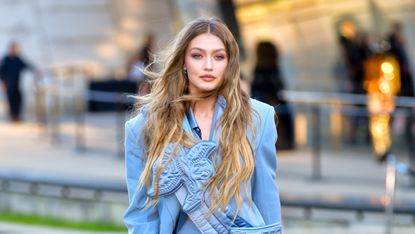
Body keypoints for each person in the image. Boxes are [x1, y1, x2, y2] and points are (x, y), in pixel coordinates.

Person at [123, 17, 282, 233]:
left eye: (218, 56)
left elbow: (267, 204)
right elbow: (141, 215)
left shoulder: (259, 118)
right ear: (183, 61)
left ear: (229, 63)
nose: (208, 66)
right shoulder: (143, 126)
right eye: (197, 55)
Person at [251, 41, 294, 150]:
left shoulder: (263, 69)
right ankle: (284, 143)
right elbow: (278, 86)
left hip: (269, 103)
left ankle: (282, 143)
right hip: (272, 103)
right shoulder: (267, 69)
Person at [0, 41, 36, 122]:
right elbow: (1, 71)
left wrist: (34, 70)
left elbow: (27, 65)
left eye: (15, 48)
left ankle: (17, 116)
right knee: (10, 100)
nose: (13, 50)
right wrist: (2, 82)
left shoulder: (18, 59)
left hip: (17, 84)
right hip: (8, 84)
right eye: (12, 48)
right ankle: (13, 116)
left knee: (19, 99)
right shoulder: (5, 59)